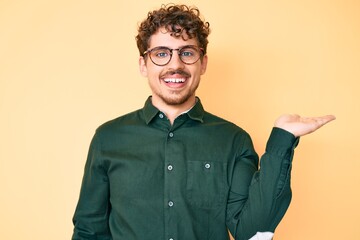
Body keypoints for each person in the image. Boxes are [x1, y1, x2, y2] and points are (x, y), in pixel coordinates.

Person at [72, 4, 335, 240]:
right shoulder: (109, 138)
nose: (175, 64)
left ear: (203, 63)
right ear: (143, 65)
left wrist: (282, 139)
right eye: (161, 54)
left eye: (187, 53)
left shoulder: (233, 140)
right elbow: (88, 232)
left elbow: (252, 233)